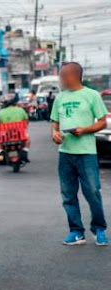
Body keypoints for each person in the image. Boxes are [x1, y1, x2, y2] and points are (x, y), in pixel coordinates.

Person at [51, 62, 108, 246]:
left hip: (86, 153)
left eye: (63, 76)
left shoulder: (91, 96)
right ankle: (76, 232)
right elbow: (55, 124)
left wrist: (84, 130)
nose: (61, 80)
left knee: (92, 192)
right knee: (68, 194)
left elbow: (102, 123)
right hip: (65, 154)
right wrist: (56, 134)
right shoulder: (59, 98)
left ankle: (99, 229)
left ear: (74, 76)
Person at [0, 96, 31, 162]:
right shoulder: (21, 110)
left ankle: (1, 151)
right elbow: (26, 121)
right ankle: (25, 151)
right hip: (20, 135)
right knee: (28, 140)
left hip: (5, 136)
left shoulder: (1, 112)